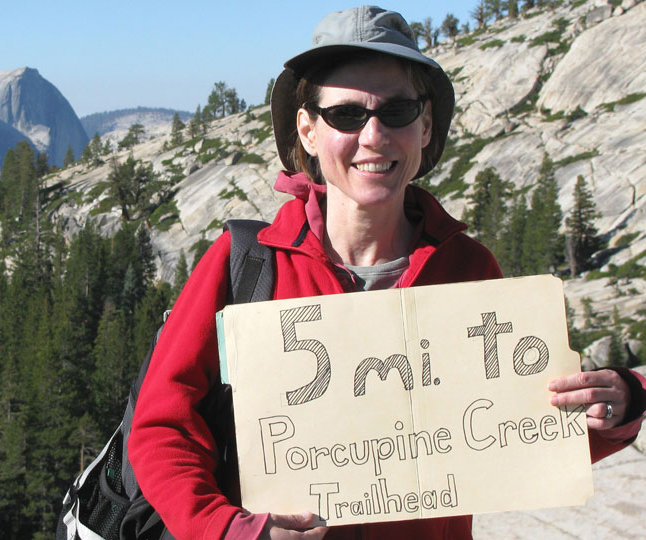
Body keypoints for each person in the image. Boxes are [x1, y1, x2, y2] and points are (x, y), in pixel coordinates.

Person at [128, 5, 646, 540]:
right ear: (306, 130)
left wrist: (620, 404)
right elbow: (162, 428)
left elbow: (517, 437)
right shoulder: (247, 264)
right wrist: (229, 531)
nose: (374, 135)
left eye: (397, 111)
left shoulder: (470, 270)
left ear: (424, 126)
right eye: (346, 115)